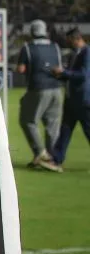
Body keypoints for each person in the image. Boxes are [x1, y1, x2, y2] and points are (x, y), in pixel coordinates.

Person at [16, 19, 64, 171]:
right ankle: (53, 159)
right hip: (57, 89)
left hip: (38, 88)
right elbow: (60, 67)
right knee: (52, 125)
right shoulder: (55, 47)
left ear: (32, 32)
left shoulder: (27, 48)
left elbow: (21, 69)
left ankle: (41, 153)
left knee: (28, 120)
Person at [50, 29, 89, 166]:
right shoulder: (75, 54)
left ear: (75, 39)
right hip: (72, 100)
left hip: (83, 100)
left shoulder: (86, 52)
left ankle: (56, 159)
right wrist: (60, 75)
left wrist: (64, 72)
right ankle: (56, 159)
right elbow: (72, 75)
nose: (68, 43)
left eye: (69, 40)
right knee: (65, 131)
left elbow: (83, 75)